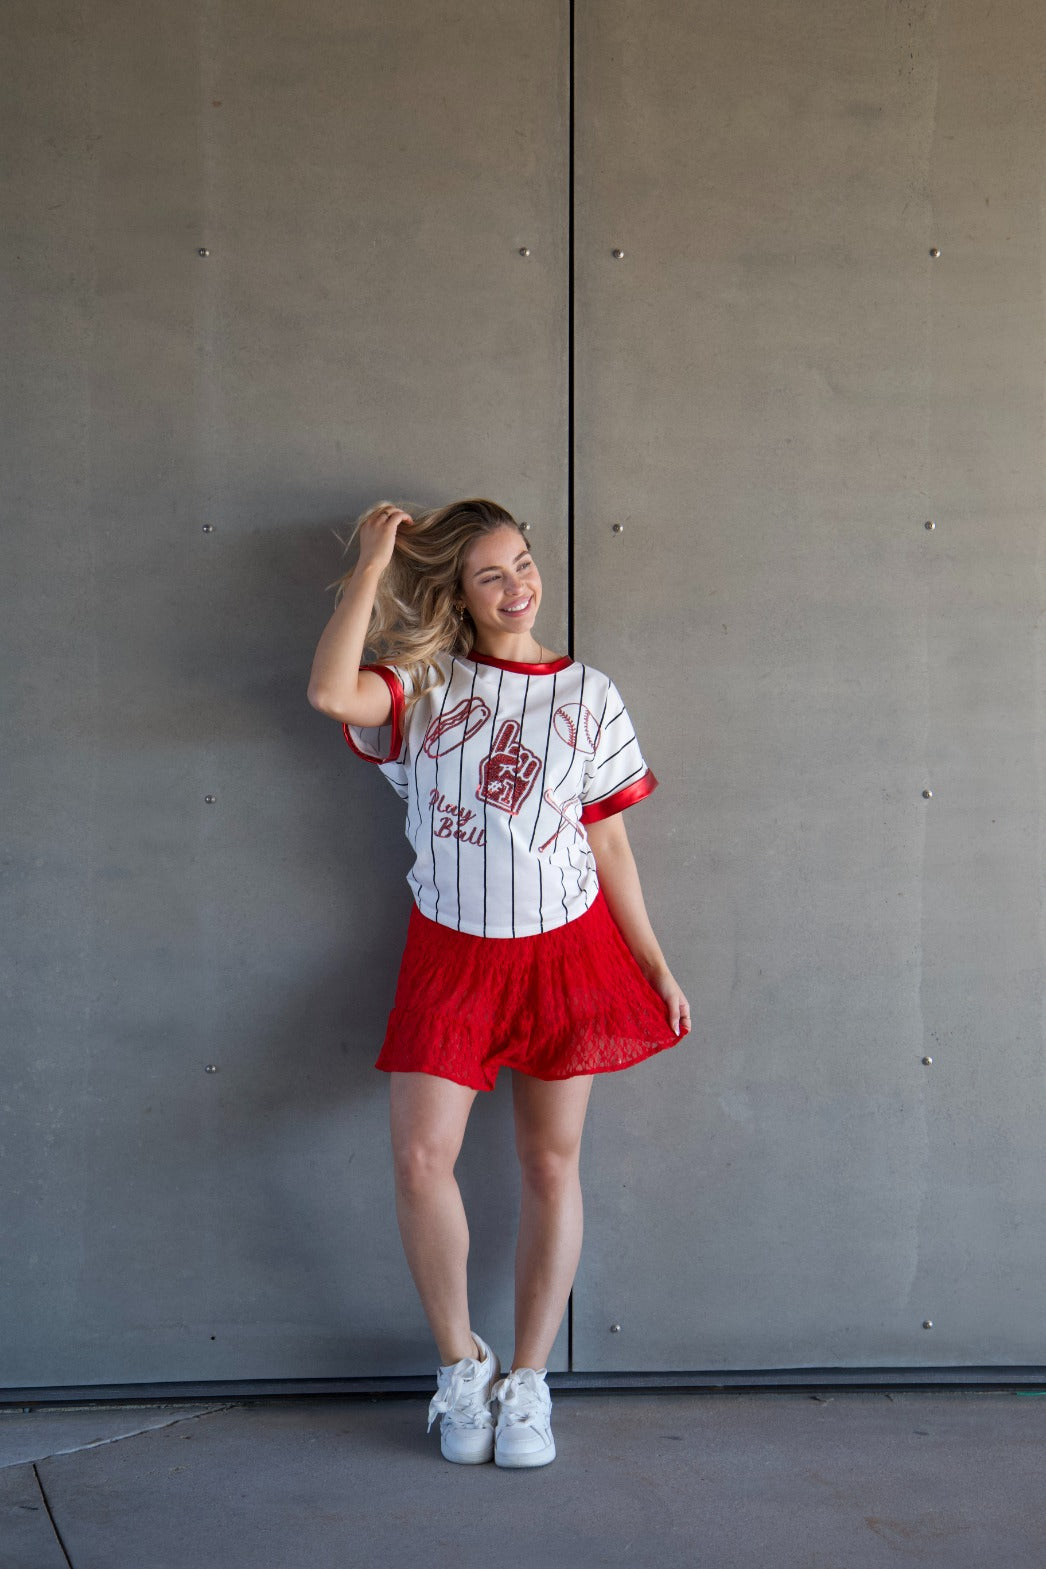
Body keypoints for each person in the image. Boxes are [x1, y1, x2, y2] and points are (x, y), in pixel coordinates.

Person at [307, 497, 691, 1469]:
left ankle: (528, 1381)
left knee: (548, 1168)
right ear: (458, 594)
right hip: (452, 954)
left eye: (522, 562)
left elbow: (608, 840)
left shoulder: (589, 695)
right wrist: (371, 563)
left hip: (567, 955)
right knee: (417, 1163)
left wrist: (650, 964)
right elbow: (326, 696)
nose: (517, 585)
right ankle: (458, 1367)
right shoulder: (422, 687)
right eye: (491, 574)